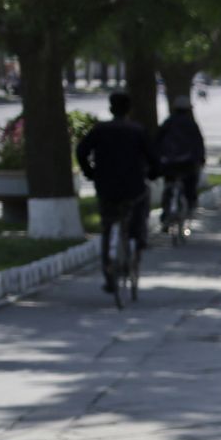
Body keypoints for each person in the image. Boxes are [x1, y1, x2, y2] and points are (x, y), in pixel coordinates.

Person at [75, 90, 159, 293]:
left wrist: (91, 172)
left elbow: (81, 151)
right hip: (133, 187)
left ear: (111, 108)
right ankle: (138, 241)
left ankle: (109, 271)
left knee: (108, 226)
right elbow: (153, 157)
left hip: (106, 186)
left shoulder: (100, 130)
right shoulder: (137, 130)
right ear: (129, 109)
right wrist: (154, 174)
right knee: (138, 213)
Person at [156, 94, 206, 223]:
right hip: (187, 163)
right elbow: (199, 143)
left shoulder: (168, 122)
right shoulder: (191, 124)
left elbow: (157, 140)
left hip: (169, 163)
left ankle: (165, 212)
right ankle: (190, 207)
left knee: (169, 185)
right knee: (190, 185)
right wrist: (201, 159)